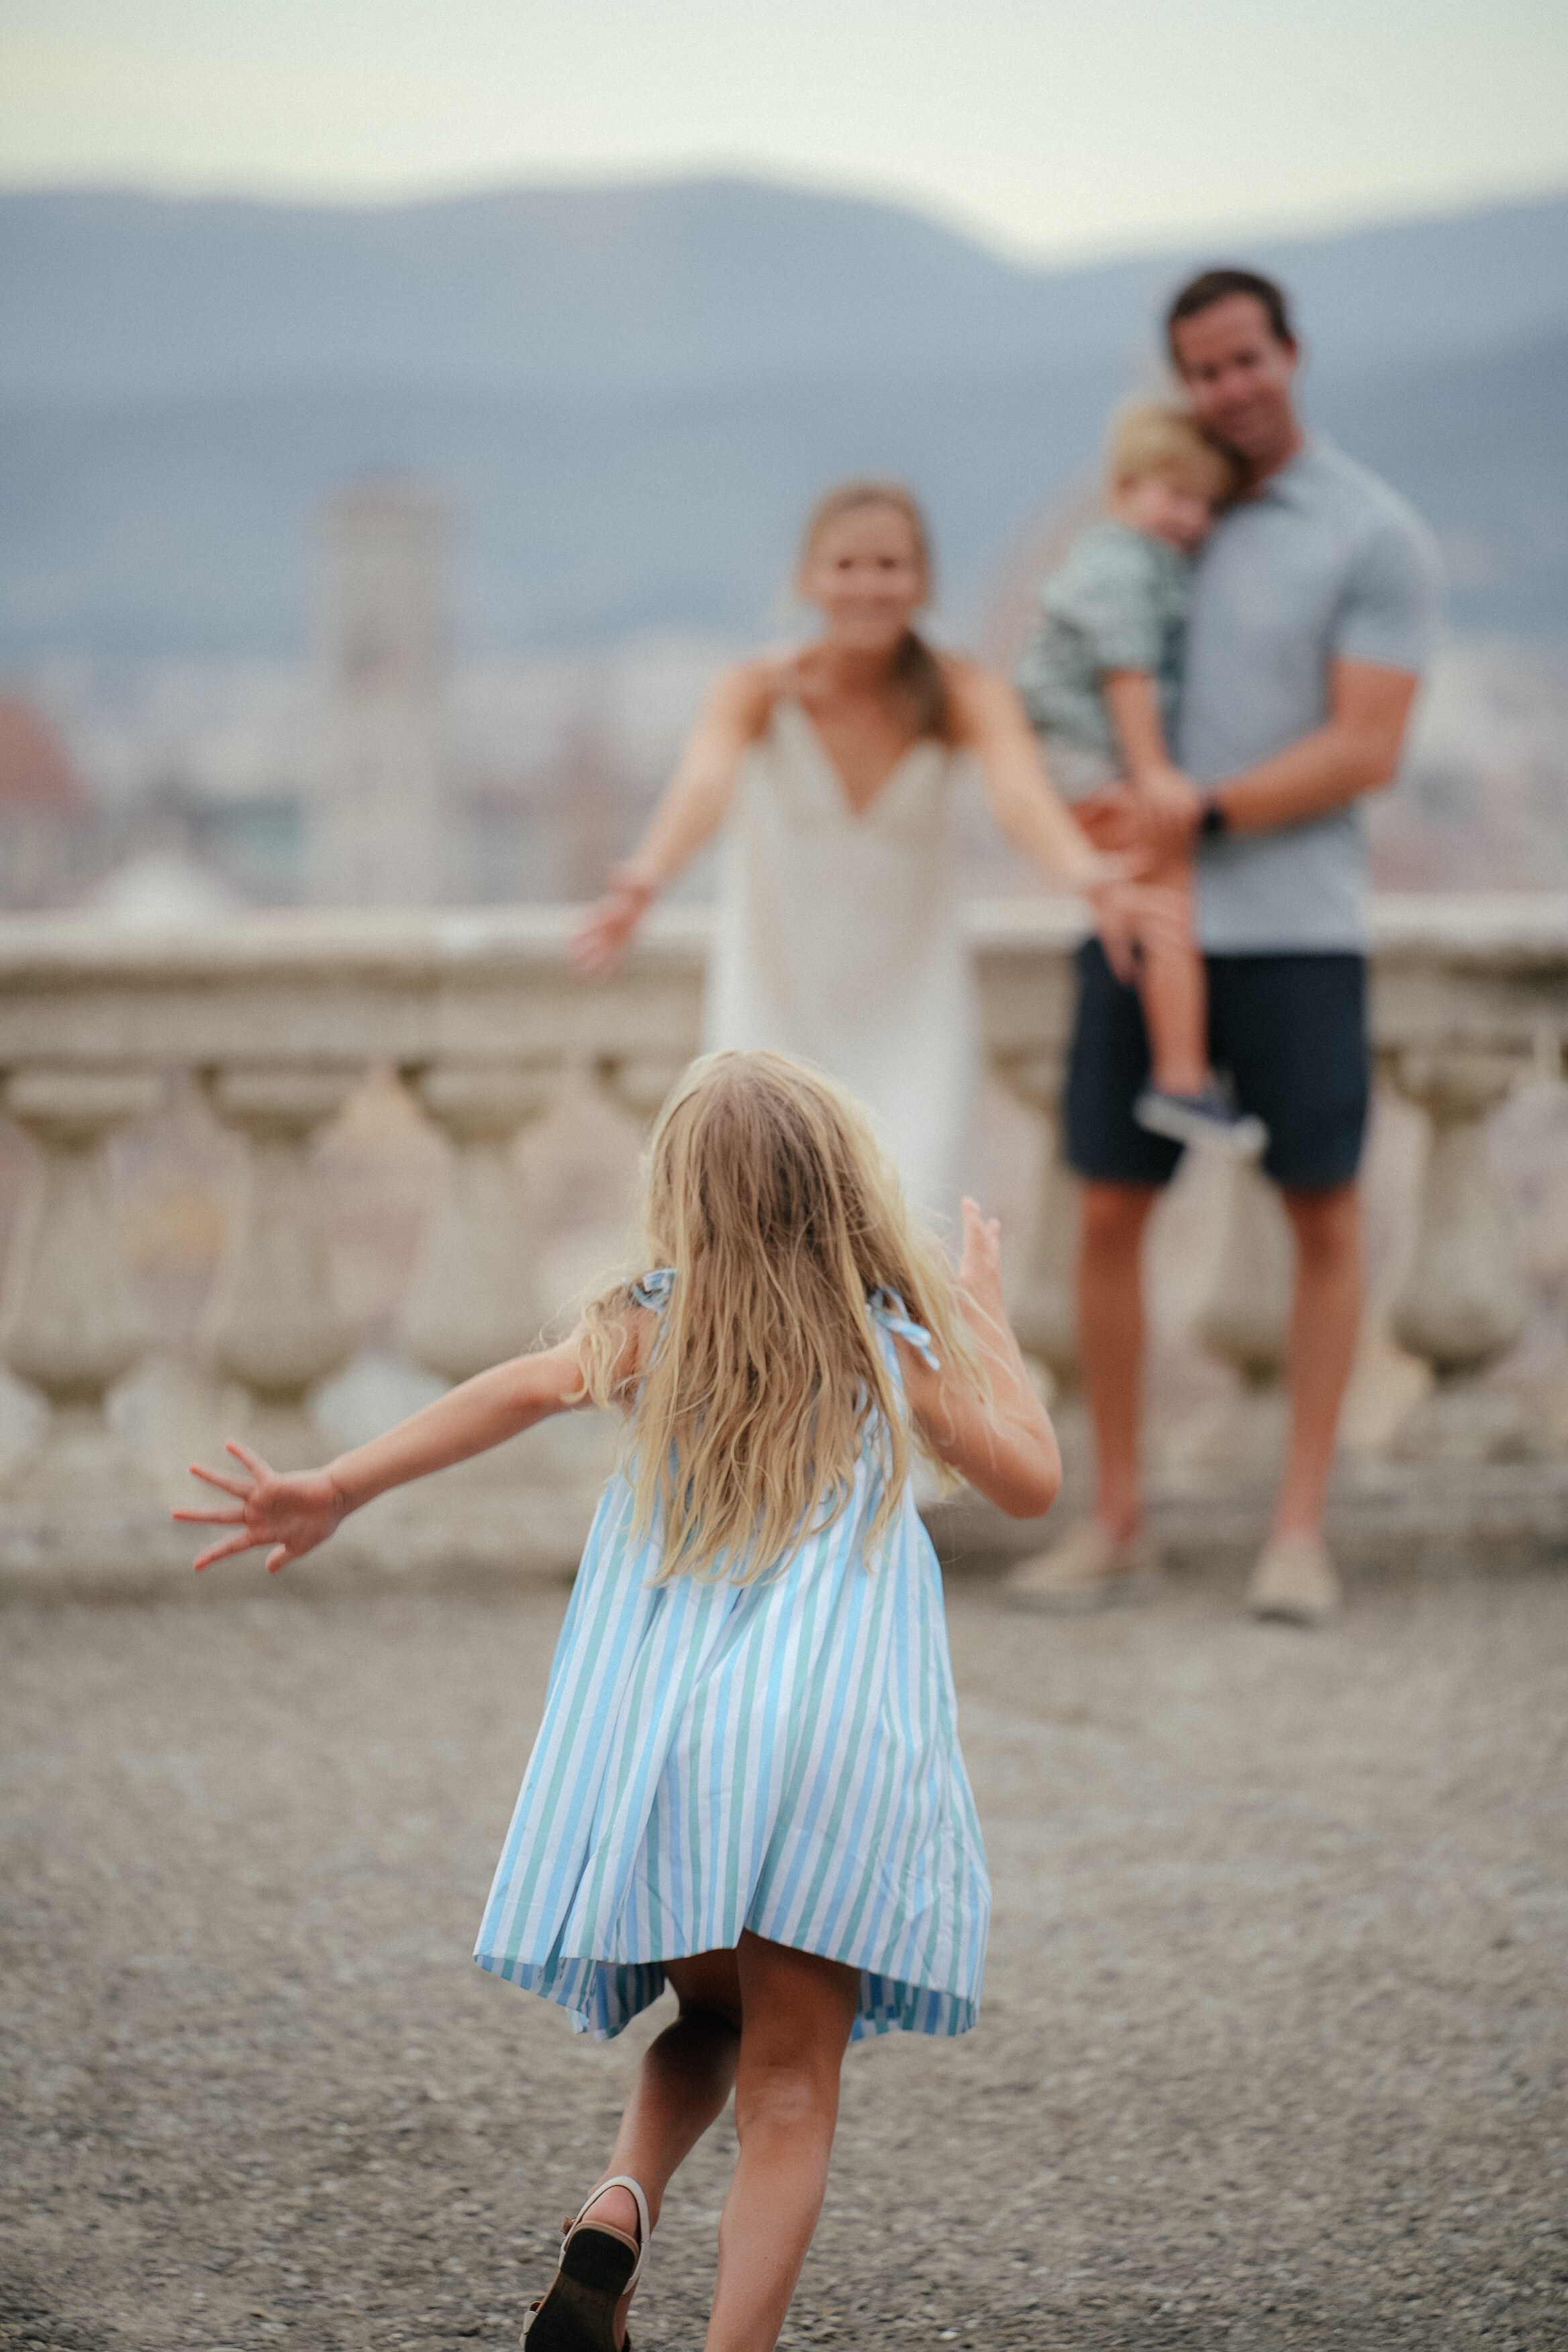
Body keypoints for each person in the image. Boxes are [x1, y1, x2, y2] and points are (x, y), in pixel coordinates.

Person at [175, 1050, 1063, 2352]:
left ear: (682, 1198)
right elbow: (1032, 1479)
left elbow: (509, 1391)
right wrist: (981, 1317)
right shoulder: (882, 1341)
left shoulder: (654, 1325)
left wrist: (339, 1486)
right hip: (824, 1749)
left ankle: (618, 2203)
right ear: (846, 1193)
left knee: (708, 2013)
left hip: (675, 1757)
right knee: (789, 2087)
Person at [1007, 266, 1442, 1628]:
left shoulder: (1372, 532)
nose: (1228, 387)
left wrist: (1199, 810)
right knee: (1105, 1212)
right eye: (1202, 369)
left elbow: (1368, 746)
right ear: (1180, 381)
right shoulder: (1150, 514)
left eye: (1246, 359)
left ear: (1290, 353)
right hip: (1140, 920)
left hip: (1297, 928)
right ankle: (1117, 1520)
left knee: (1322, 1214)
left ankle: (1298, 1530)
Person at [571, 480, 1130, 1221]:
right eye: (845, 565)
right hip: (775, 1004)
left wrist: (1090, 877)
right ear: (806, 578)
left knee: (920, 1218)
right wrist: (645, 878)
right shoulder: (754, 689)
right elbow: (703, 785)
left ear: (921, 580)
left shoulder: (965, 693)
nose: (868, 586)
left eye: (889, 565)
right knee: (765, 1222)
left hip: (916, 1015)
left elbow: (1021, 797)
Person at [1016, 401, 1264, 1157]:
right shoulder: (1123, 566)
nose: (1191, 518)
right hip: (1086, 763)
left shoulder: (1116, 559)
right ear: (1123, 488)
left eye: (1205, 504)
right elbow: (1126, 671)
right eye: (1175, 495)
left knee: (1146, 899)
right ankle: (1181, 1075)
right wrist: (1153, 772)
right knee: (1168, 902)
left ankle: (1176, 1065)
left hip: (1073, 766)